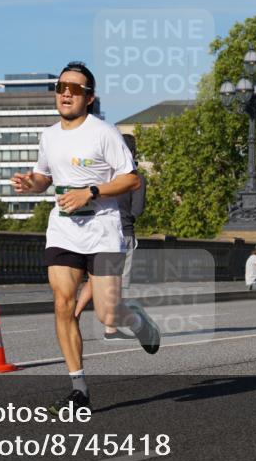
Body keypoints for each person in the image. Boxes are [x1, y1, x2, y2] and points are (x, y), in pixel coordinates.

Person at [10, 61, 160, 414]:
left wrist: (90, 191)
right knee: (63, 302)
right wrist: (31, 183)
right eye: (61, 87)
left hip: (103, 230)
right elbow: (44, 176)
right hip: (64, 229)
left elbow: (131, 179)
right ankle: (79, 390)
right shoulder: (49, 136)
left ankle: (135, 319)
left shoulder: (104, 133)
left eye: (75, 89)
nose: (66, 93)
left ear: (89, 98)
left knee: (108, 314)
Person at [74, 133, 146, 340]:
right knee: (116, 284)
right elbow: (138, 209)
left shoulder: (102, 176)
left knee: (95, 279)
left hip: (97, 231)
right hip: (123, 233)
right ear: (133, 153)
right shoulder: (135, 178)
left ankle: (74, 315)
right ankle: (111, 329)